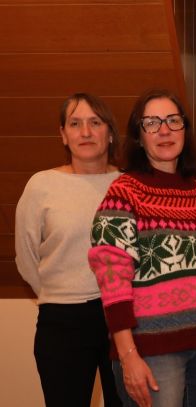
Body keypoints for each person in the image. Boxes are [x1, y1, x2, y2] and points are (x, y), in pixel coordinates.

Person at [88, 89, 196, 407]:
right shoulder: (124, 193)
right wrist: (128, 355)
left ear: (185, 129)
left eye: (173, 120)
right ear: (139, 137)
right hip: (151, 352)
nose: (164, 130)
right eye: (152, 123)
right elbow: (113, 285)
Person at [14, 93, 122, 407]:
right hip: (62, 322)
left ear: (110, 132)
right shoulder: (42, 185)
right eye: (75, 124)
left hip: (123, 319)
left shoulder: (128, 185)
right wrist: (60, 294)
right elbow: (26, 256)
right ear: (63, 134)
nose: (85, 132)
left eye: (95, 122)